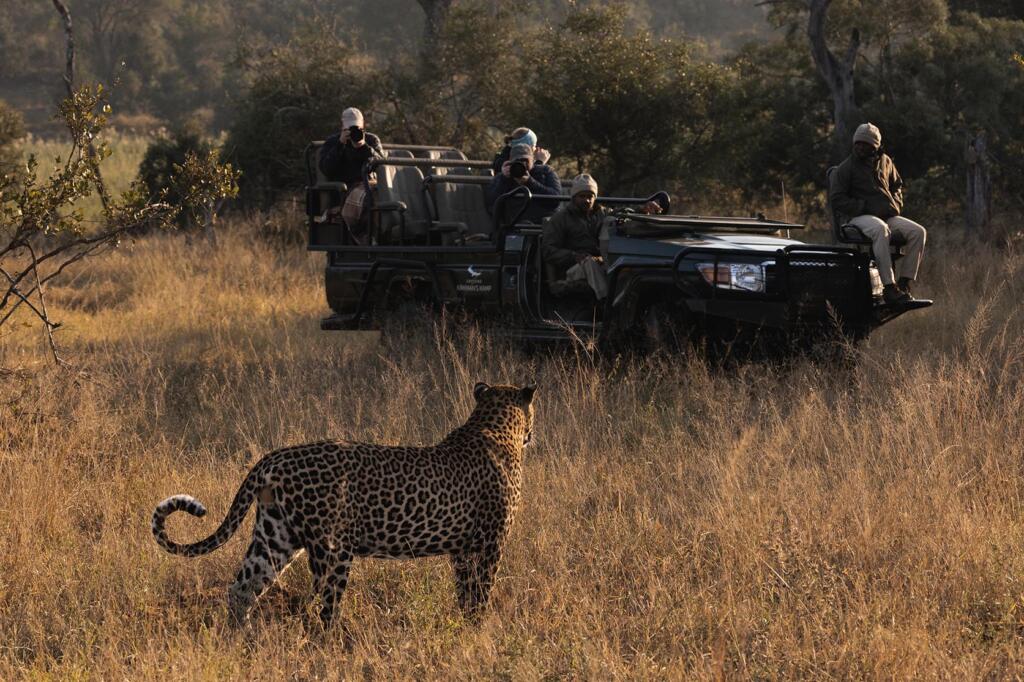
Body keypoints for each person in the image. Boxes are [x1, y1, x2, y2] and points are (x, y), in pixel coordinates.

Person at [829, 122, 926, 305]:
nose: (860, 147)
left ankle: (904, 283)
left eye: (865, 144)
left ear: (875, 146)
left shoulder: (886, 161)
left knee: (918, 232)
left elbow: (897, 185)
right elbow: (837, 199)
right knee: (881, 229)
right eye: (858, 143)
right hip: (858, 218)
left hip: (886, 215)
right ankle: (889, 288)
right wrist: (862, 207)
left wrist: (895, 203)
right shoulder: (846, 168)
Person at [542, 174, 662, 300]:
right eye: (582, 196)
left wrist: (641, 210)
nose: (587, 200)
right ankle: (606, 302)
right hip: (572, 269)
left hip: (598, 263)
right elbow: (548, 250)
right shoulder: (561, 219)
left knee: (622, 266)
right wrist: (574, 256)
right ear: (574, 197)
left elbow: (621, 213)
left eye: (590, 196)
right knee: (589, 262)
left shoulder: (601, 213)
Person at [318, 107, 384, 243]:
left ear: (363, 126)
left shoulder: (371, 140)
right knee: (370, 198)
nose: (353, 131)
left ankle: (382, 236)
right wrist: (340, 144)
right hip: (345, 190)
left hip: (370, 185)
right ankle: (369, 239)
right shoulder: (332, 142)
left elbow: (381, 165)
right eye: (349, 128)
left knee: (382, 194)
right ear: (342, 126)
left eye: (356, 128)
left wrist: (363, 146)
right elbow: (326, 169)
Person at [485, 142, 561, 223]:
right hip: (514, 224)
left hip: (543, 223)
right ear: (511, 162)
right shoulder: (504, 177)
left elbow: (556, 199)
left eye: (525, 160)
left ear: (533, 160)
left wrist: (530, 182)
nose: (523, 164)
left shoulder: (545, 172)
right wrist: (504, 179)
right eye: (518, 161)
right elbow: (491, 203)